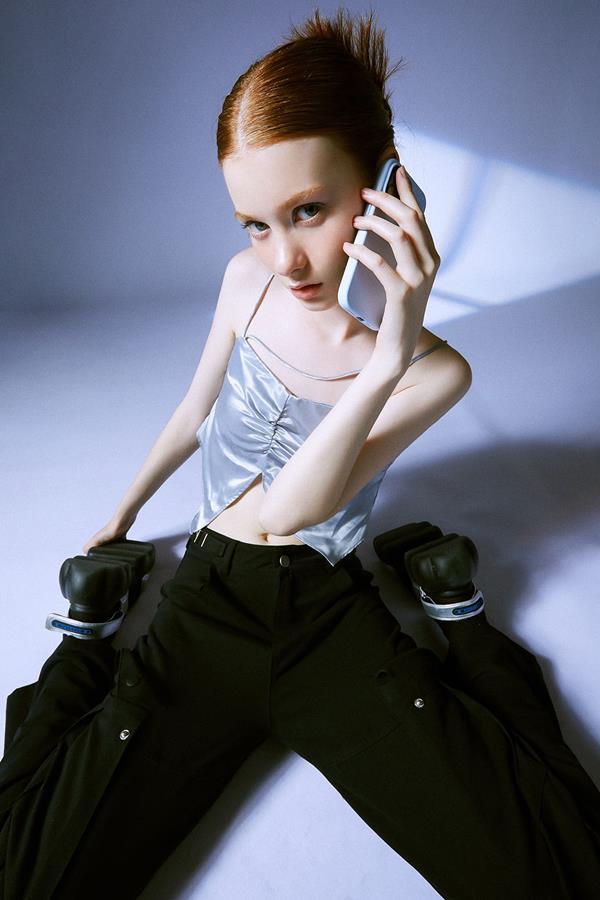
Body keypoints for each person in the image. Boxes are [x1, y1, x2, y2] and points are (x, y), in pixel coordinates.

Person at [1, 9, 599, 899]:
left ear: (387, 185)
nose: (284, 257)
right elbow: (196, 412)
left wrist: (390, 351)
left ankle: (461, 618)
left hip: (327, 611)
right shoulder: (246, 283)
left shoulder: (436, 373)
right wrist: (122, 514)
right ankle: (86, 638)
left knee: (563, 872)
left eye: (308, 210)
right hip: (205, 600)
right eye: (255, 223)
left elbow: (293, 510)